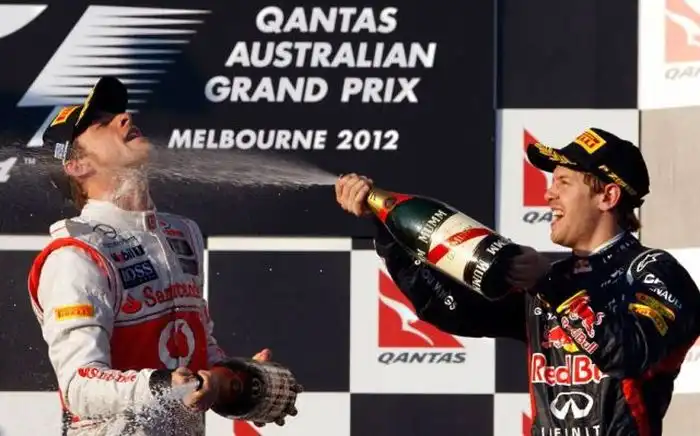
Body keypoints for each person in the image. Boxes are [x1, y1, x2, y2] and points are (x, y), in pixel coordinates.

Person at [335, 128, 700, 436]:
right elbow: (448, 308)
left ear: (607, 196)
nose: (548, 194)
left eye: (563, 182)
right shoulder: (551, 279)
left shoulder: (653, 272)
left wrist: (548, 284)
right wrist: (388, 231)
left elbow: (627, 354)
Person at [27, 76, 300, 436]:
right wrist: (164, 385)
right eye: (101, 124)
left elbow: (193, 352)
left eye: (118, 113)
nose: (124, 117)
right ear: (77, 165)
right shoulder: (77, 254)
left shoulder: (180, 232)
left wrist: (231, 379)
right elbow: (79, 387)